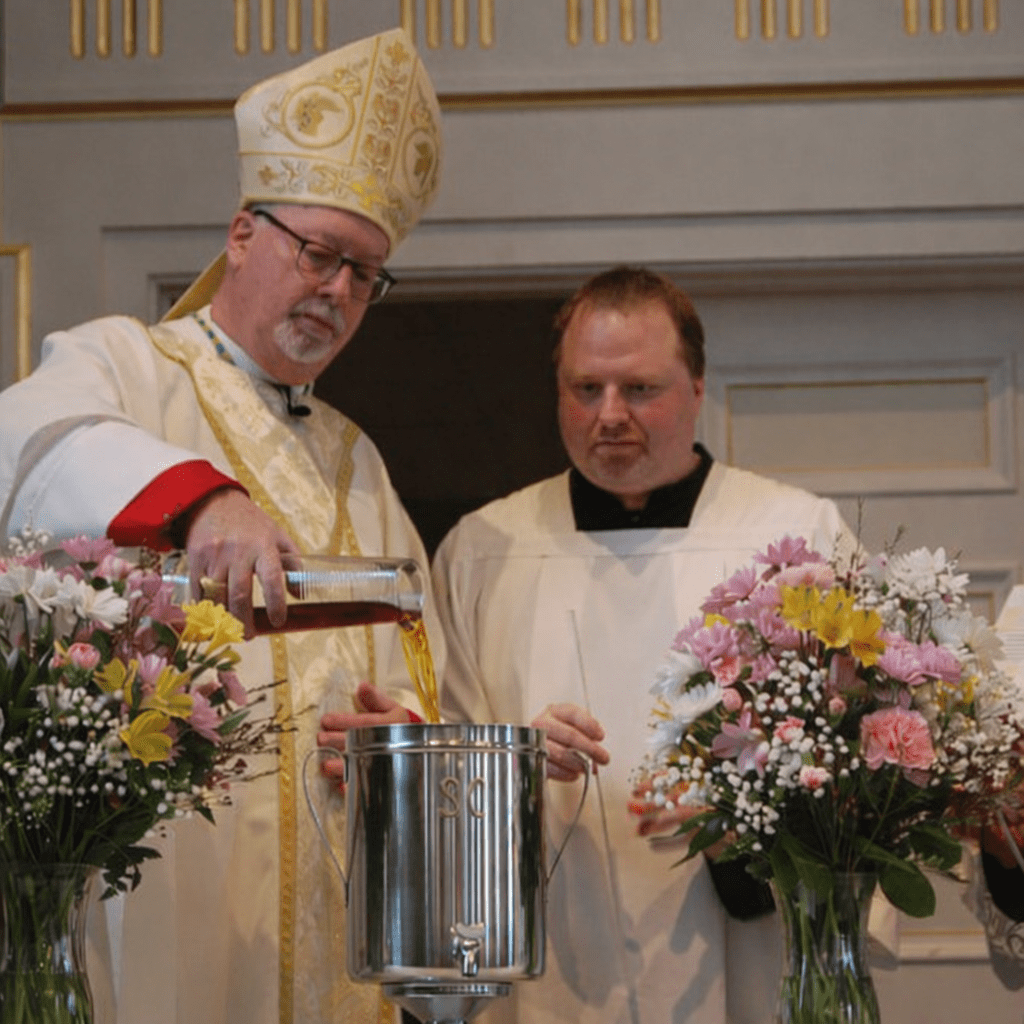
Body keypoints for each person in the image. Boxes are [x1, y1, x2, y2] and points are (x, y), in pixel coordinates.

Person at [0, 28, 445, 1024]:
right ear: (242, 232)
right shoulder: (125, 366)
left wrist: (398, 737)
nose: (335, 289)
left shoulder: (358, 461)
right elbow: (24, 446)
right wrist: (200, 498)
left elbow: (424, 676)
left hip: (338, 902)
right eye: (318, 251)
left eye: (365, 273)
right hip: (172, 883)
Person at [429, 266, 855, 1024]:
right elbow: (444, 776)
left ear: (696, 386)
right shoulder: (483, 550)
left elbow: (857, 781)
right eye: (585, 389)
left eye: (640, 389)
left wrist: (741, 819)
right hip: (550, 961)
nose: (610, 415)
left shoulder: (797, 540)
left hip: (745, 950)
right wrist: (514, 761)